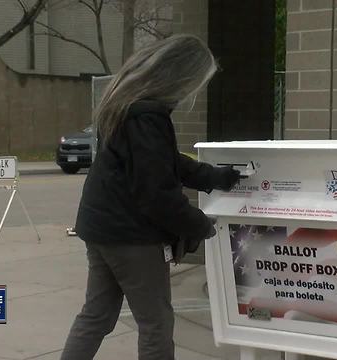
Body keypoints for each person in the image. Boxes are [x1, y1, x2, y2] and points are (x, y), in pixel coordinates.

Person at [60, 34, 241, 360]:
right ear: (181, 76)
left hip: (100, 228)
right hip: (130, 236)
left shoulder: (124, 104)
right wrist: (199, 224)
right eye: (197, 82)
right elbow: (156, 194)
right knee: (156, 322)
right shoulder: (148, 117)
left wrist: (214, 177)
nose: (193, 91)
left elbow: (162, 161)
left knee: (97, 315)